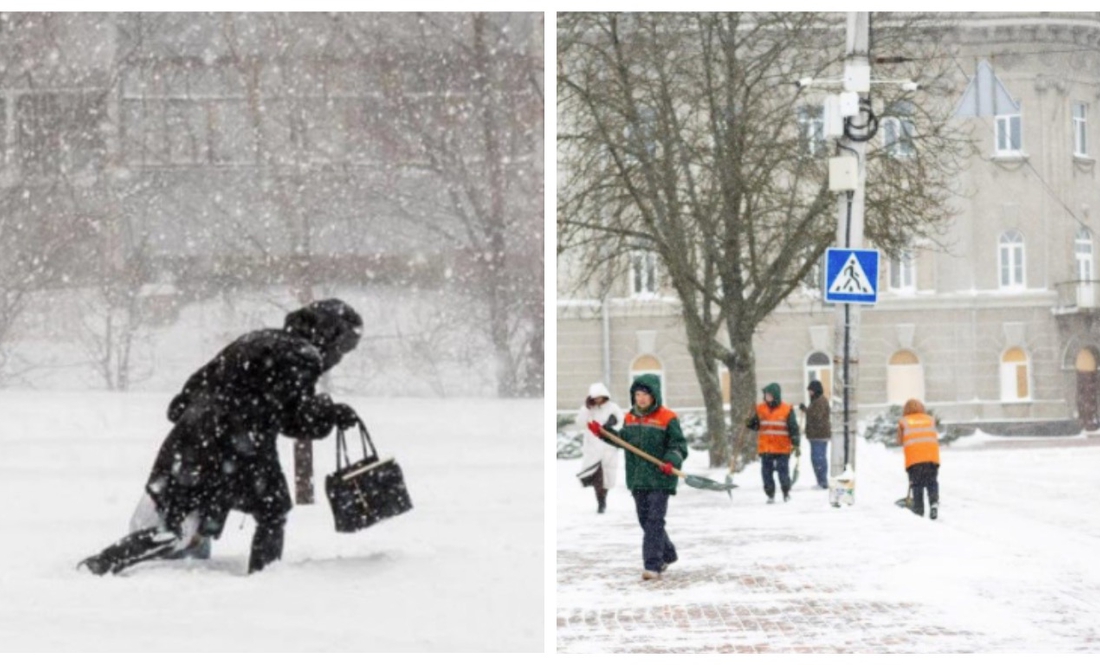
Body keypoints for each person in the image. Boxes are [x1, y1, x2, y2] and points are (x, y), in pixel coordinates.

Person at [79, 299, 364, 575]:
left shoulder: (255, 338)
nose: (339, 357)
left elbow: (184, 398)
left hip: (190, 438)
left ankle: (105, 561)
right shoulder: (303, 355)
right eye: (343, 347)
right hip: (241, 442)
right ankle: (266, 577)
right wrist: (329, 414)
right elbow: (292, 417)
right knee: (272, 512)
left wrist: (205, 420)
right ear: (329, 335)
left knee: (181, 519)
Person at [588, 374, 686, 581]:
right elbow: (624, 441)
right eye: (637, 394)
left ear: (654, 396)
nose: (640, 398)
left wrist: (671, 460)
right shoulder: (630, 417)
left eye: (645, 394)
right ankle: (668, 553)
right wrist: (604, 433)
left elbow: (678, 446)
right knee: (646, 520)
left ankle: (652, 565)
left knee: (654, 521)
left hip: (660, 478)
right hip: (638, 478)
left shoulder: (667, 418)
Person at [746, 383, 801, 503]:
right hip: (766, 448)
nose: (767, 397)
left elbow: (793, 428)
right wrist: (748, 422)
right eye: (766, 395)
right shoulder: (760, 408)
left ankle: (786, 492)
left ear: (775, 395)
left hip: (782, 448)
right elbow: (756, 426)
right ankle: (770, 494)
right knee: (766, 473)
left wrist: (796, 443)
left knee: (783, 473)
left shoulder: (786, 409)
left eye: (769, 395)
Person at [576, 382, 624, 514]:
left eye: (600, 397)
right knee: (596, 477)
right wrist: (586, 409)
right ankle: (600, 502)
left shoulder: (613, 408)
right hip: (593, 448)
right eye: (595, 398)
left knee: (606, 478)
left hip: (609, 448)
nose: (598, 400)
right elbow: (580, 423)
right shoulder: (588, 409)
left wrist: (612, 425)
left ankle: (603, 499)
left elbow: (621, 422)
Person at [897, 398, 941, 520]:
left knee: (917, 485)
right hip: (932, 458)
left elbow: (899, 440)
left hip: (914, 460)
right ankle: (933, 503)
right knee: (932, 481)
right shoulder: (930, 420)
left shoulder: (903, 422)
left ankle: (919, 509)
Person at [800, 380, 831, 490]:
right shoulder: (815, 401)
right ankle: (820, 481)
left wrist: (806, 411)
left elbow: (817, 416)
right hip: (815, 435)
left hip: (820, 435)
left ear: (816, 390)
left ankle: (823, 482)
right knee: (816, 459)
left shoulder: (821, 401)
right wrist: (806, 410)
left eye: (811, 391)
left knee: (819, 459)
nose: (809, 393)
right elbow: (813, 414)